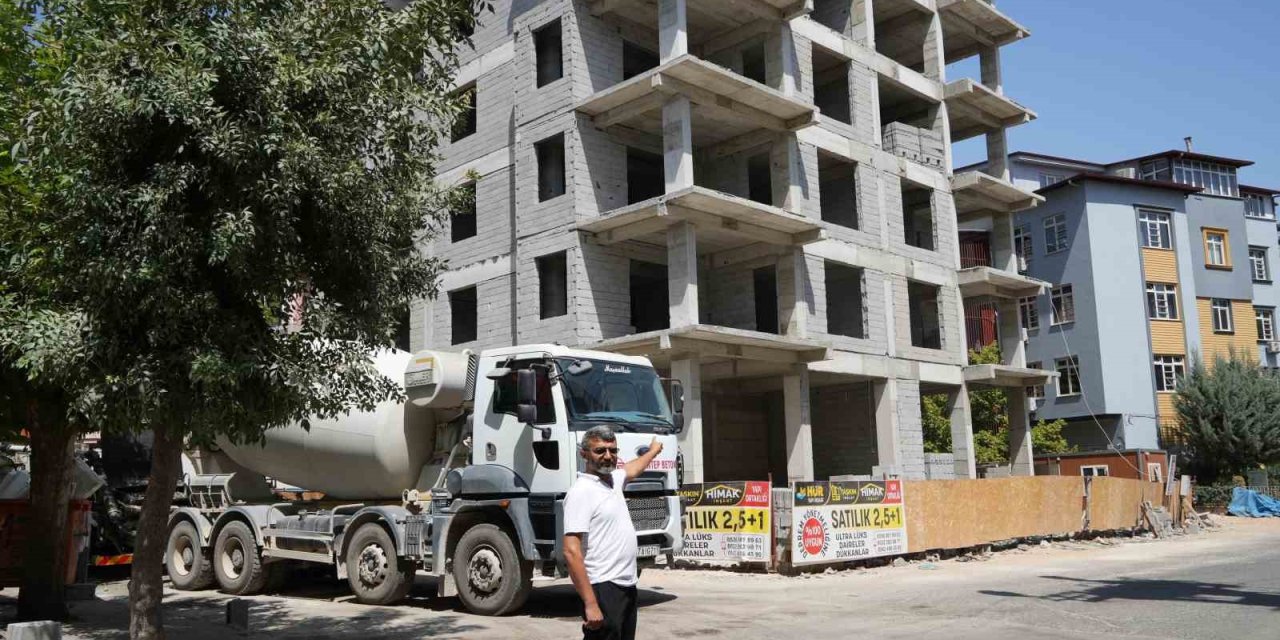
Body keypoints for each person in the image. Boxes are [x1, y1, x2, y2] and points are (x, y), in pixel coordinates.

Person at [562, 425, 664, 640]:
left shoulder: (613, 481)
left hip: (626, 584)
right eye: (600, 451)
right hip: (603, 586)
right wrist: (590, 604)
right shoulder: (581, 492)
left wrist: (653, 450)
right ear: (584, 454)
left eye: (613, 450)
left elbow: (633, 469)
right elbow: (571, 552)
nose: (608, 456)